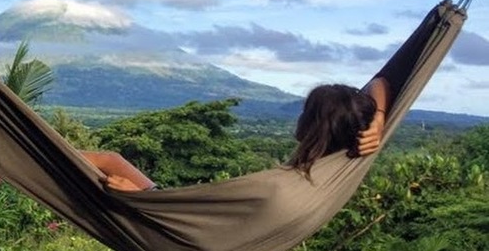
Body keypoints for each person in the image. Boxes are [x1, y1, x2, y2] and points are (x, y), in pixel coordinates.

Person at [81, 76, 390, 190]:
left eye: (305, 112)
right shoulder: (347, 161)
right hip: (169, 214)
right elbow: (382, 82)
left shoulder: (278, 187)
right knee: (110, 159)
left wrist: (142, 199)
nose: (299, 117)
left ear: (315, 127)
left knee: (107, 161)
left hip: (163, 217)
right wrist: (378, 118)